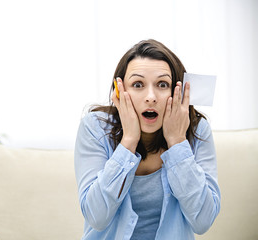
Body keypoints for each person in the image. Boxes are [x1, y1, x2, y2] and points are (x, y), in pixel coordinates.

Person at [74, 39, 221, 240]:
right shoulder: (95, 128)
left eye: (162, 84)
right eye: (137, 84)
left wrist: (177, 143)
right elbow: (95, 217)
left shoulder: (197, 130)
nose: (150, 97)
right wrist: (129, 141)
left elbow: (203, 222)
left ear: (177, 91)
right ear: (120, 92)